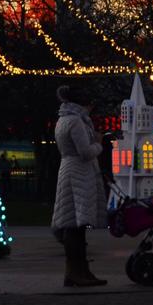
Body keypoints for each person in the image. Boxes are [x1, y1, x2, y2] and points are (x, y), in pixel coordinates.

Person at [51, 85, 107, 287]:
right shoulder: (76, 121)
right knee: (77, 226)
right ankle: (78, 272)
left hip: (67, 170)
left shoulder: (63, 120)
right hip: (80, 173)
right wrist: (99, 144)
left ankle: (77, 271)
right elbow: (84, 152)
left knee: (72, 224)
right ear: (85, 104)